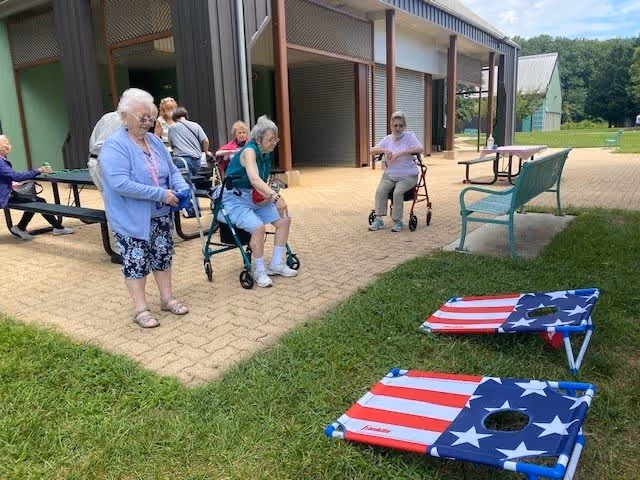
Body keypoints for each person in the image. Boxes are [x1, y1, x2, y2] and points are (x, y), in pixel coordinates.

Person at [100, 88, 190, 329]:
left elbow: (171, 171)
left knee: (162, 256)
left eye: (150, 117)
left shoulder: (154, 141)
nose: (147, 122)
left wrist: (182, 189)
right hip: (131, 218)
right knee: (136, 262)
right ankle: (140, 309)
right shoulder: (115, 145)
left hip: (160, 215)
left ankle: (167, 299)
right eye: (142, 117)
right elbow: (120, 184)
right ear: (124, 116)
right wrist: (162, 194)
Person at [219, 115, 297, 288]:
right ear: (257, 138)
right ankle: (259, 270)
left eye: (275, 138)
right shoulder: (249, 151)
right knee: (258, 228)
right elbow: (254, 179)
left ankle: (276, 264)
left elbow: (261, 183)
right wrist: (275, 197)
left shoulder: (264, 154)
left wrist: (269, 194)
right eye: (270, 139)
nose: (274, 142)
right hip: (235, 199)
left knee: (284, 219)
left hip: (255, 197)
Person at [0, 134, 75, 240]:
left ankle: (21, 227)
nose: (10, 146)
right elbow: (16, 176)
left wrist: (11, 183)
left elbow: (7, 177)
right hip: (6, 196)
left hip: (6, 193)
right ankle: (58, 227)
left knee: (34, 201)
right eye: (7, 144)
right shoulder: (1, 162)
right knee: (38, 202)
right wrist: (38, 170)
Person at [369, 111, 424, 232]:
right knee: (380, 190)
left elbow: (420, 148)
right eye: (395, 125)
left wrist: (401, 153)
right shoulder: (387, 139)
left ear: (404, 126)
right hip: (390, 175)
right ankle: (379, 219)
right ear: (391, 126)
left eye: (401, 125)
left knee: (397, 192)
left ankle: (397, 221)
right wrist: (384, 150)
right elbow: (372, 151)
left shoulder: (410, 136)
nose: (398, 128)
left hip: (408, 175)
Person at [168, 106, 212, 177]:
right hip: (197, 160)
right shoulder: (195, 125)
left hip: (182, 160)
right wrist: (206, 151)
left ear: (174, 117)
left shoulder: (172, 128)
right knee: (193, 181)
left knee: (186, 183)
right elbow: (206, 140)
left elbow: (172, 145)